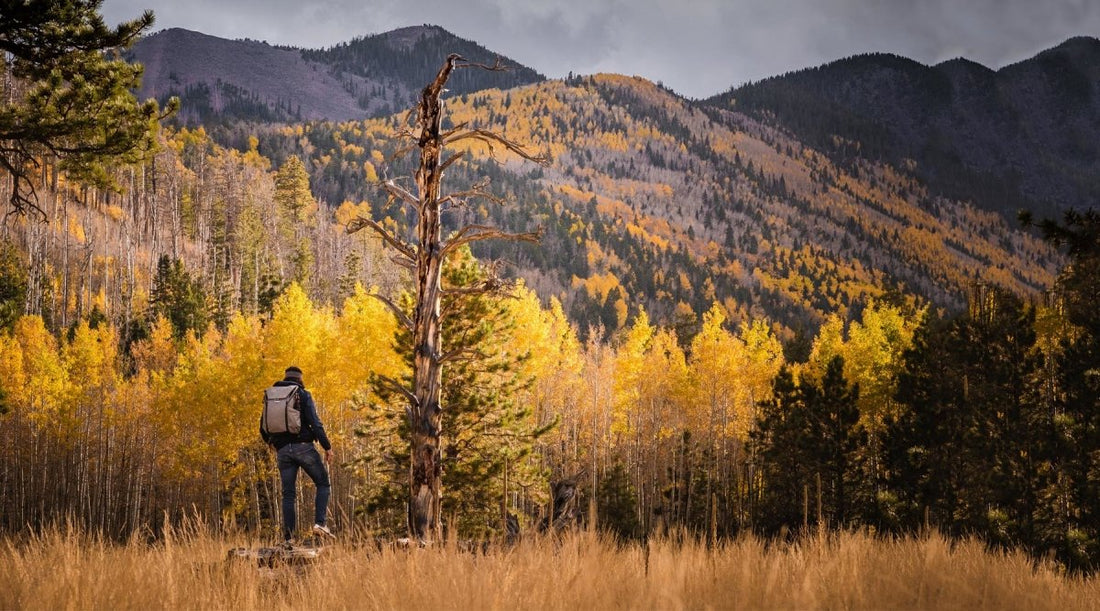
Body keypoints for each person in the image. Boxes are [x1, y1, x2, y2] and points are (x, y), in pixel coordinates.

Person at [261, 365, 335, 544]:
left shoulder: (271, 396)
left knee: (288, 494)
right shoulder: (303, 394)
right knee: (323, 483)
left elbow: (262, 426)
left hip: (283, 451)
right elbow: (315, 424)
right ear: (300, 379)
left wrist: (271, 442)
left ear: (285, 377)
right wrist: (327, 446)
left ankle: (289, 538)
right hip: (304, 447)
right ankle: (320, 524)